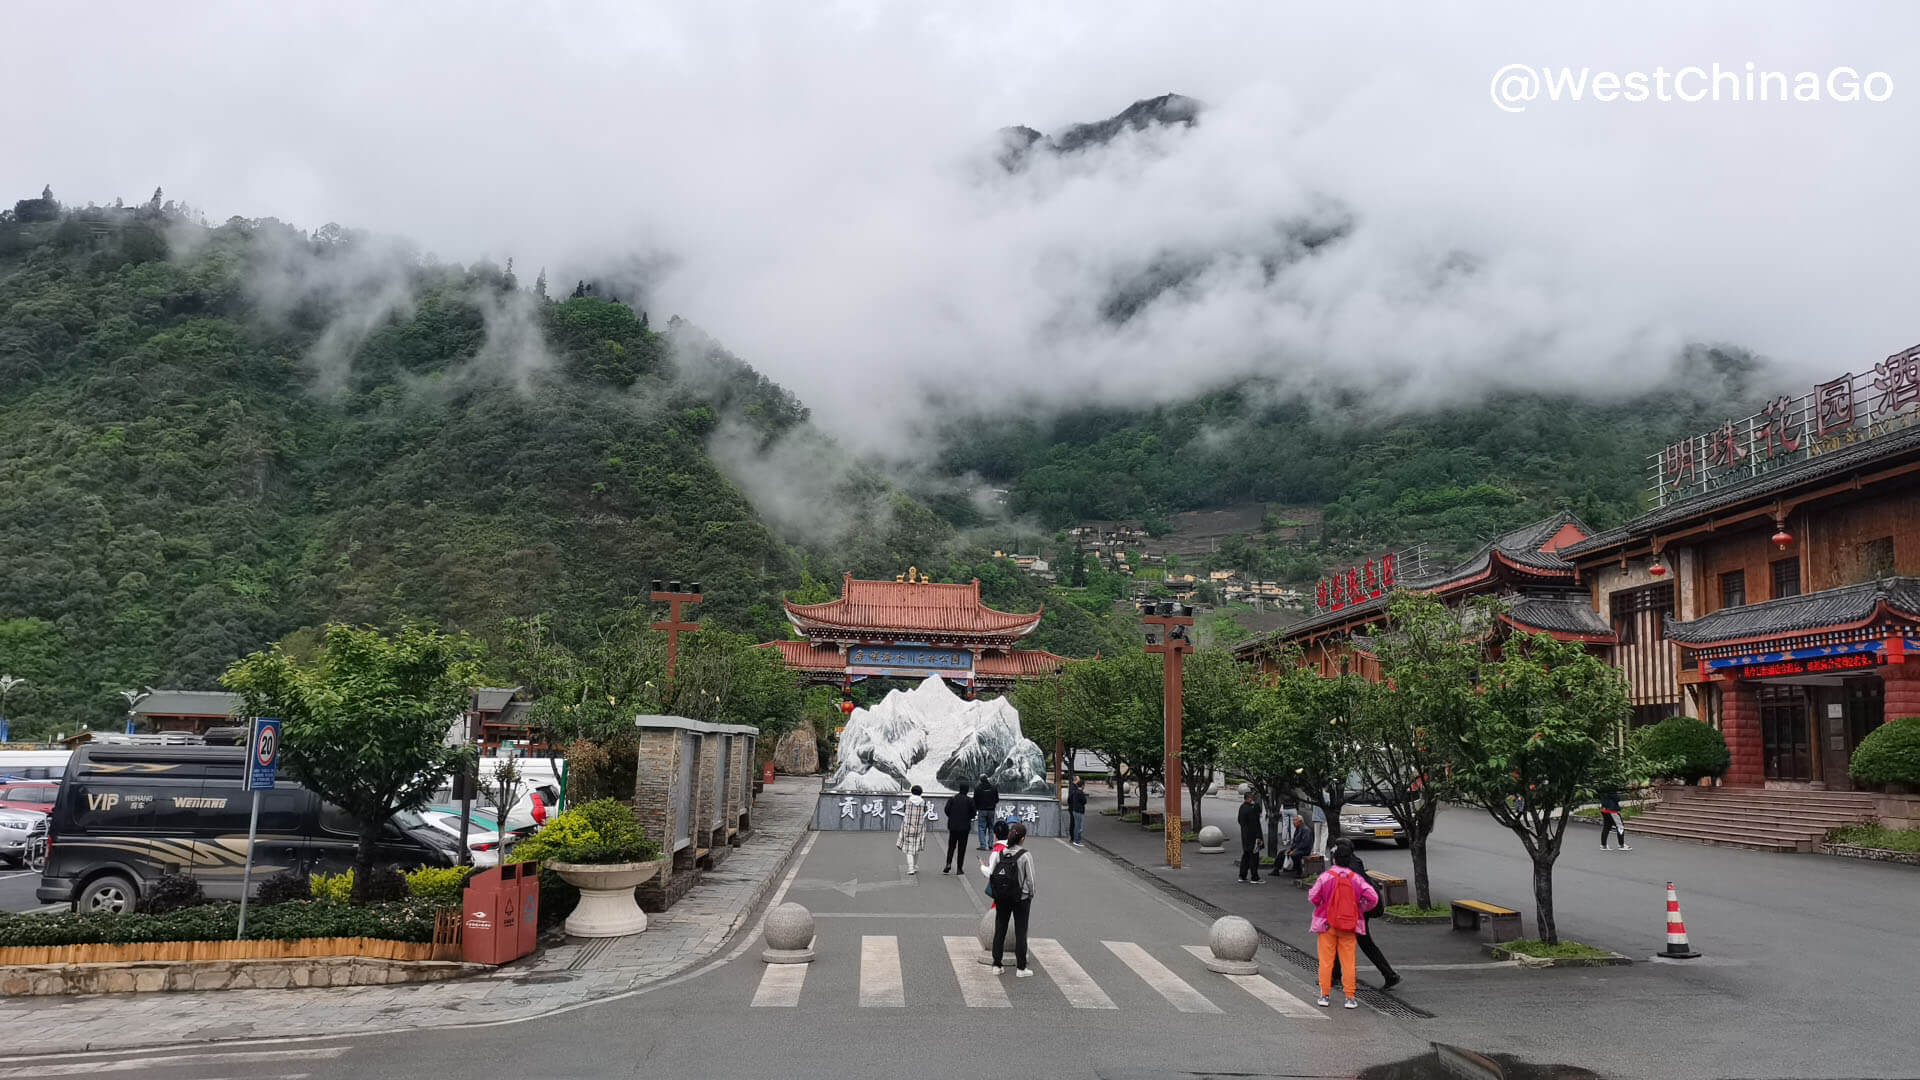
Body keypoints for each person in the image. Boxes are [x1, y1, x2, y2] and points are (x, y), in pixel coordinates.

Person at [1307, 836, 1379, 1009]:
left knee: (1326, 961)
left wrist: (1323, 905)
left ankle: (1324, 995)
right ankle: (1350, 997)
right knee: (1348, 961)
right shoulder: (1356, 879)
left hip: (1326, 924)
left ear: (1334, 859)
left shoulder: (1325, 877)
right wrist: (1360, 907)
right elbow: (1373, 897)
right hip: (1349, 925)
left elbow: (1313, 897)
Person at [1328, 842, 1401, 991]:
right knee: (1365, 943)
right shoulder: (1354, 862)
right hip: (1360, 911)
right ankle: (1389, 975)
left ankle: (1335, 976)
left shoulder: (1348, 869)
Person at [983, 822, 1036, 976]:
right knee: (1021, 931)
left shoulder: (1001, 854)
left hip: (1002, 897)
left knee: (1000, 929)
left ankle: (997, 965)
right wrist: (1031, 894)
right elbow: (1031, 879)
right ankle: (1021, 968)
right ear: (1023, 838)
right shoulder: (1025, 855)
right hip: (1021, 897)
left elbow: (993, 874)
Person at [942, 783, 976, 874]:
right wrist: (967, 817)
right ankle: (959, 868)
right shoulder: (970, 800)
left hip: (953, 826)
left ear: (959, 789)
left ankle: (948, 863)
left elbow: (946, 810)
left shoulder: (952, 799)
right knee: (962, 848)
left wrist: (952, 817)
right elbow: (974, 813)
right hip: (964, 827)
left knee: (951, 846)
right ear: (967, 790)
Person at [896, 785, 927, 874]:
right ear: (920, 792)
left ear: (912, 792)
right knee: (916, 848)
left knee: (909, 850)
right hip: (919, 828)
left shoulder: (907, 801)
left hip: (908, 827)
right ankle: (915, 866)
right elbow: (925, 810)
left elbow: (904, 810)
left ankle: (910, 868)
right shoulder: (923, 802)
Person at [1236, 788, 1264, 883]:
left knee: (1246, 855)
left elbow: (1240, 820)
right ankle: (1254, 876)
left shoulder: (1242, 807)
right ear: (1250, 798)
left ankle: (1242, 875)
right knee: (1254, 856)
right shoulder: (1253, 809)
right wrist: (1258, 837)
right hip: (1253, 836)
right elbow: (1256, 824)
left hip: (1245, 834)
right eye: (1252, 798)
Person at [973, 777, 1000, 851]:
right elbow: (997, 799)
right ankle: (991, 844)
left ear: (980, 780)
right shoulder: (994, 788)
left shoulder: (978, 788)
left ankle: (983, 845)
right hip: (991, 810)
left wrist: (977, 807)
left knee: (981, 827)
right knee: (991, 827)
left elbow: (975, 800)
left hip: (982, 810)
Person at [1066, 775, 1088, 846]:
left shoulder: (1074, 788)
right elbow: (1084, 801)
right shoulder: (1075, 789)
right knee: (1076, 825)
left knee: (1075, 824)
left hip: (1074, 808)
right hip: (1077, 809)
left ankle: (1074, 839)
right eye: (1078, 779)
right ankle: (1075, 839)